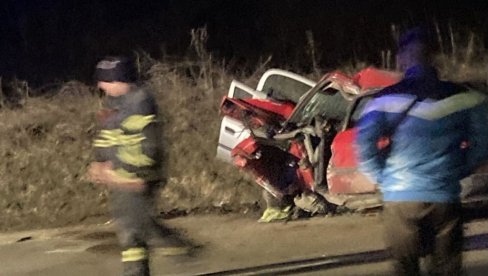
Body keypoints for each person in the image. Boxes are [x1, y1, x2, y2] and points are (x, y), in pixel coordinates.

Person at [356, 28, 488, 275]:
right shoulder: (467, 98)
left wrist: (382, 177)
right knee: (447, 270)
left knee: (406, 270)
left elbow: (364, 145)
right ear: (435, 58)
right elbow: (483, 142)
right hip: (445, 199)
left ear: (401, 60)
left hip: (400, 201)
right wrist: (459, 169)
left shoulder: (382, 101)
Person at [87, 56, 190, 276]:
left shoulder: (140, 104)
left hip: (134, 179)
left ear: (118, 80)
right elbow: (108, 137)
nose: (100, 86)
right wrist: (99, 161)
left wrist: (135, 176)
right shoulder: (115, 106)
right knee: (130, 227)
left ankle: (179, 247)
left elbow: (147, 145)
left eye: (104, 81)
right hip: (120, 178)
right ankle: (161, 257)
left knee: (137, 227)